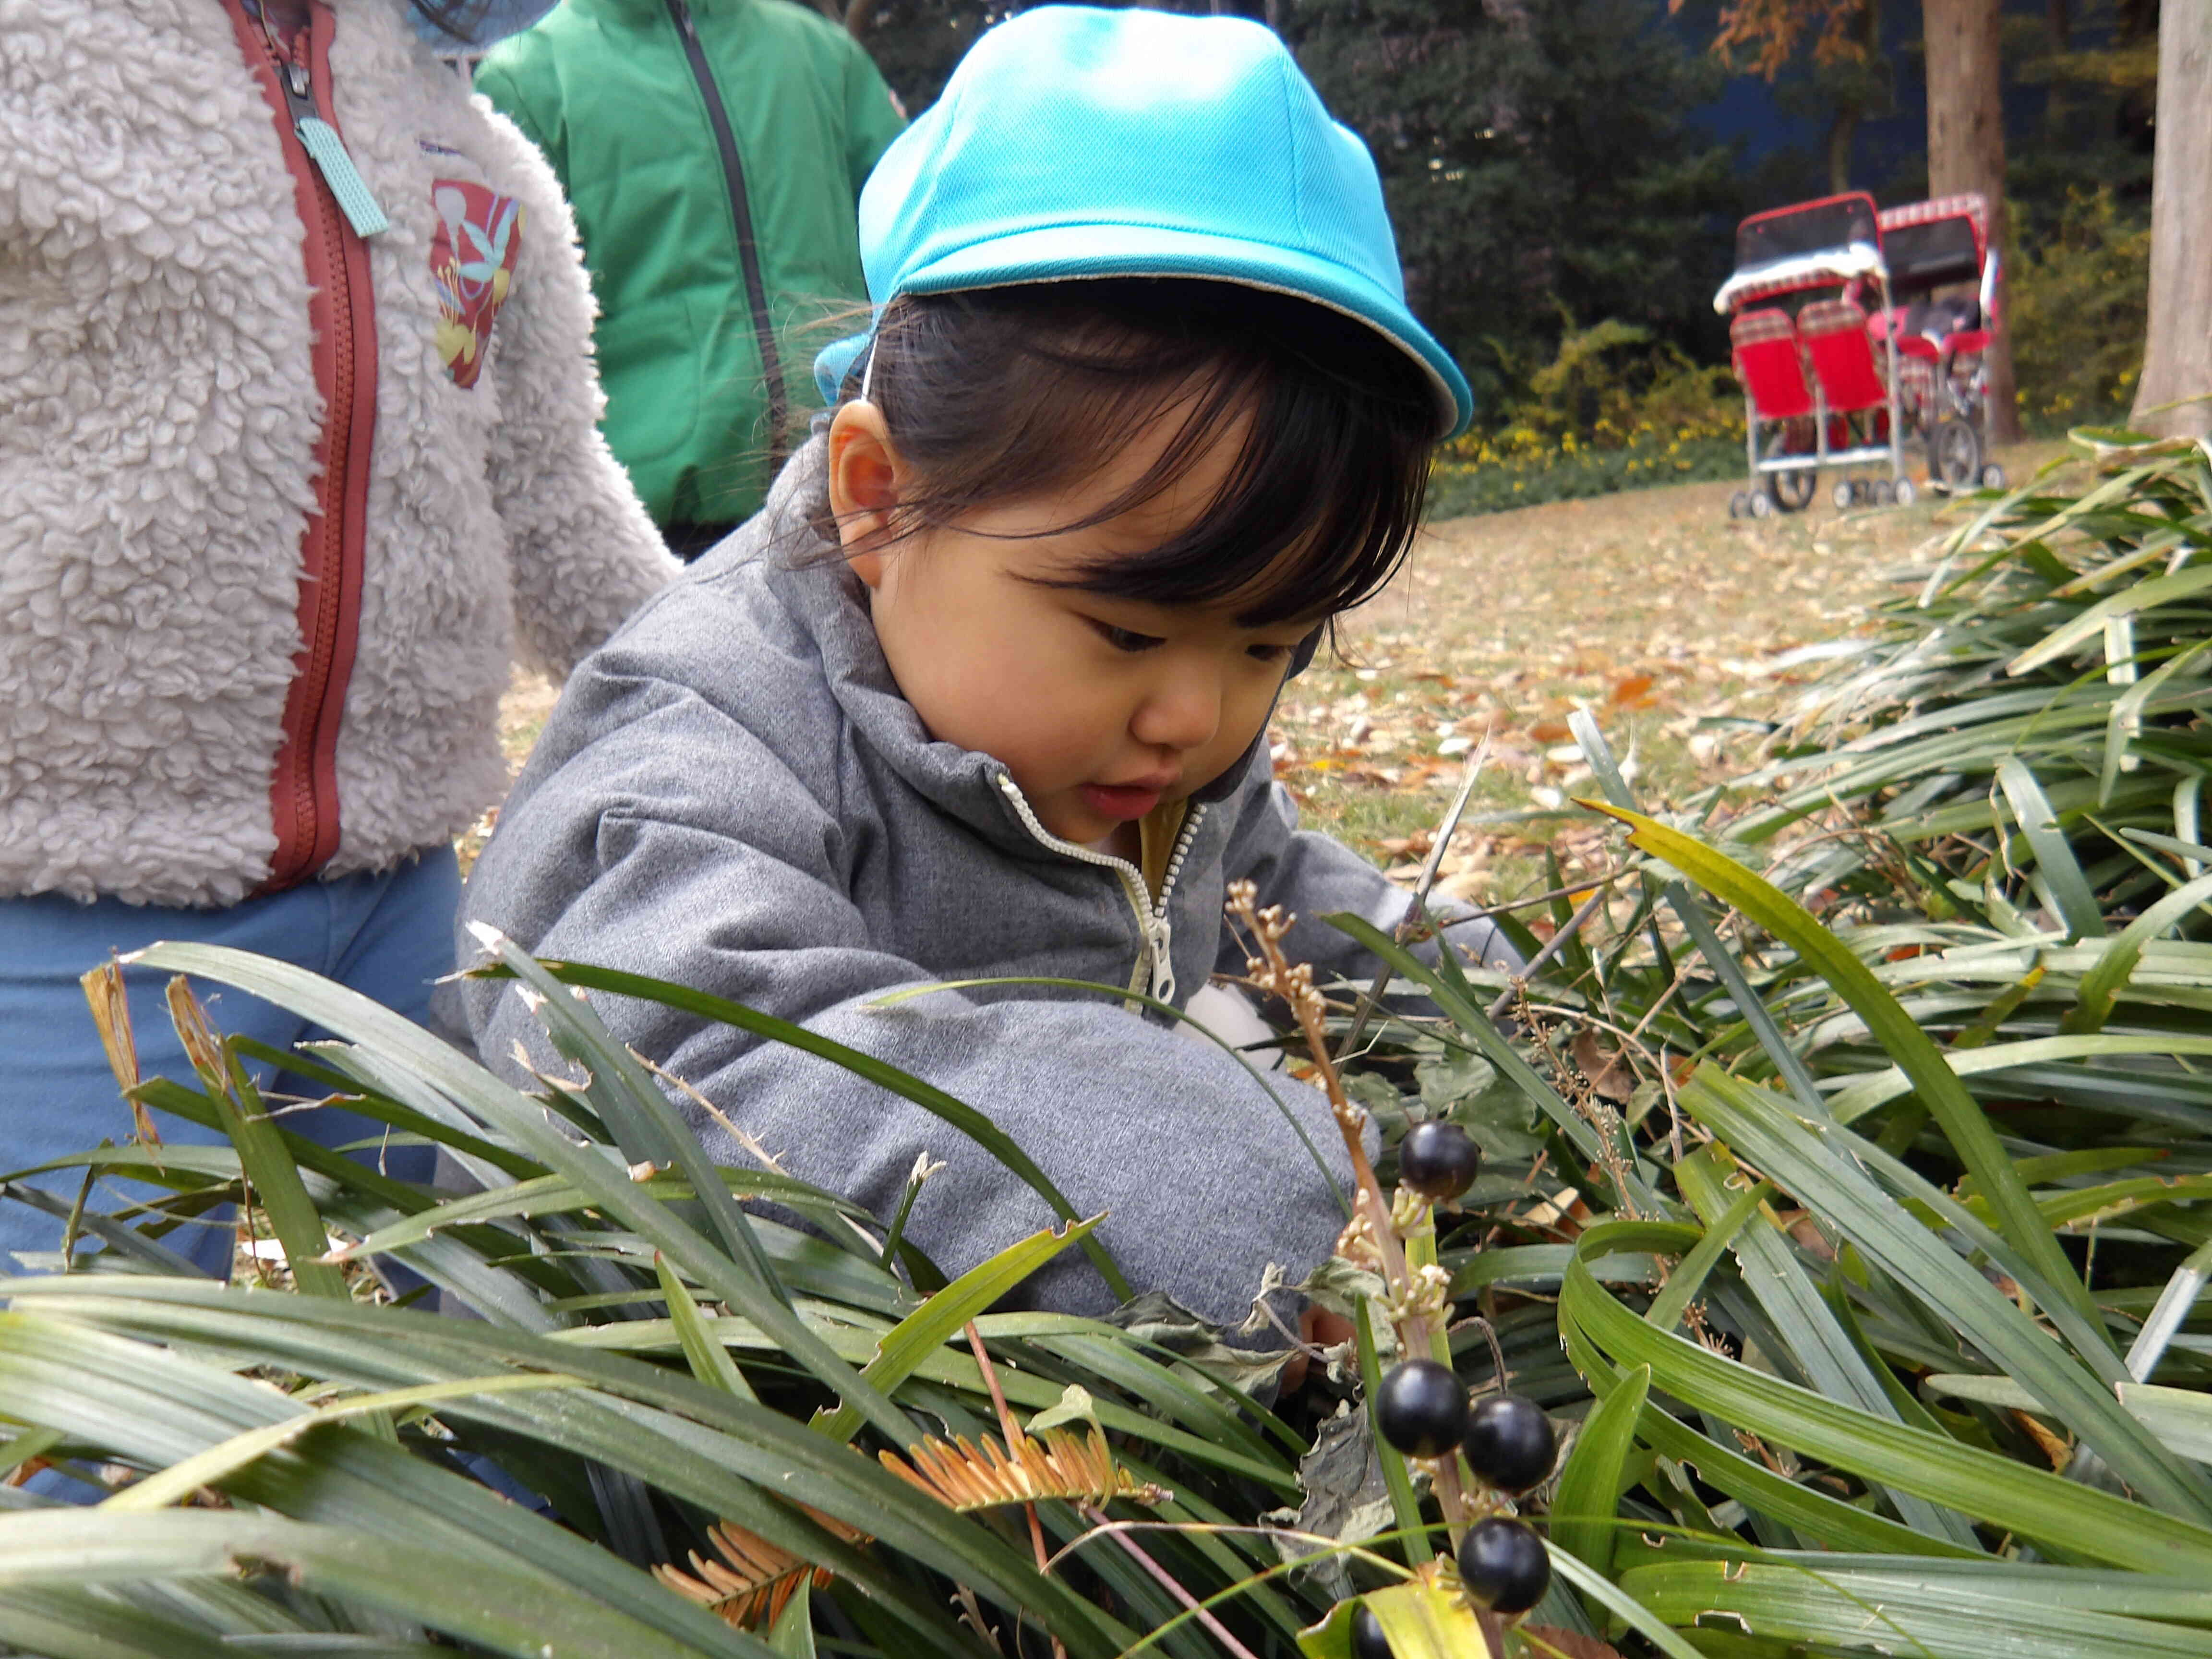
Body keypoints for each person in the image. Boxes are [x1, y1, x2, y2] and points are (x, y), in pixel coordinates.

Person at [457, 5, 1513, 1327]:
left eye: (1273, 644)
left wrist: (1512, 1014)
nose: (1200, 716)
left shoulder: (1150, 737)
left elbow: (1275, 887)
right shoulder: (692, 734)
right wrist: (1227, 1186)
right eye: (1128, 632)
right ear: (879, 495)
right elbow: (668, 1056)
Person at [0, 0, 677, 1272]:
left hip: (404, 890)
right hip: (64, 900)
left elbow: (543, 473)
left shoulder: (460, 141)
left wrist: (717, 674)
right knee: (89, 1413)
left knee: (485, 1342)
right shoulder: (33, 58)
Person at [474, 0, 907, 559]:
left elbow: (910, 252)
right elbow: (495, 335)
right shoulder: (527, 77)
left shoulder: (823, 55)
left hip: (842, 504)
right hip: (646, 537)